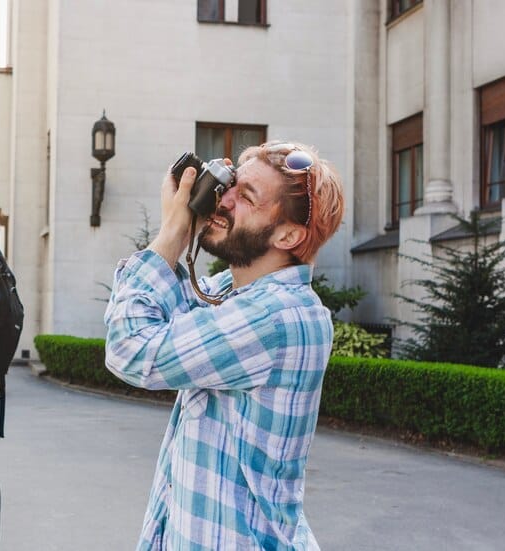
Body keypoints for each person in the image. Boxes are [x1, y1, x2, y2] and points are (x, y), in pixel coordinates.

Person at [104, 141, 345, 550]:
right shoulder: (226, 294)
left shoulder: (275, 317)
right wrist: (190, 220)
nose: (225, 200)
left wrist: (175, 231)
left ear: (288, 234)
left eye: (246, 196)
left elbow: (131, 350)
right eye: (229, 184)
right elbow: (153, 312)